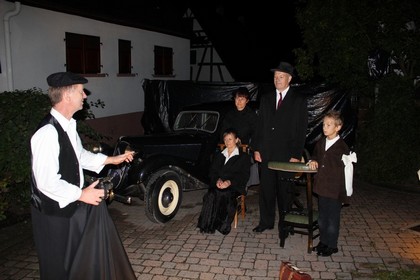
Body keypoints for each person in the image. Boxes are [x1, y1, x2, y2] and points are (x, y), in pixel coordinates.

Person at [30, 72, 137, 280]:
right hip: (53, 215)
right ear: (68, 96)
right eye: (81, 91)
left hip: (69, 208)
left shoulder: (69, 125)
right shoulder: (47, 134)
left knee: (75, 264)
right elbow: (46, 182)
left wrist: (111, 160)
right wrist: (81, 194)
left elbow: (79, 156)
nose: (85, 96)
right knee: (58, 268)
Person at [252, 61, 308, 234]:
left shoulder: (298, 100)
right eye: (275, 76)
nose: (277, 79)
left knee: (285, 192)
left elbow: (301, 129)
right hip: (267, 153)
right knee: (266, 190)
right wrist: (256, 148)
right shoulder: (266, 98)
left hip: (286, 155)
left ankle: (286, 224)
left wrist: (296, 154)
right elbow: (260, 125)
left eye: (281, 76)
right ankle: (266, 222)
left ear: (289, 79)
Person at [308, 110, 355, 257]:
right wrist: (313, 160)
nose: (325, 127)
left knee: (332, 219)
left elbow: (348, 171)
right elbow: (315, 154)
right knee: (322, 218)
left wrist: (345, 192)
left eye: (329, 125)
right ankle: (323, 241)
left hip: (335, 190)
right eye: (323, 124)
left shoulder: (342, 147)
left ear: (338, 127)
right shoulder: (321, 142)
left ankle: (332, 245)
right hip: (322, 187)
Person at [197, 128, 251, 235]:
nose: (227, 142)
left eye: (230, 139)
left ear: (236, 140)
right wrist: (218, 180)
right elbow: (212, 171)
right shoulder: (219, 155)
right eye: (225, 139)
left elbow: (243, 176)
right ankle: (208, 224)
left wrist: (229, 182)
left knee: (224, 194)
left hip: (234, 185)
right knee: (211, 193)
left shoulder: (243, 157)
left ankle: (222, 225)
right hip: (219, 183)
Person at [219, 87, 259, 186]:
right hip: (228, 146)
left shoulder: (251, 115)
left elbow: (256, 133)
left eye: (242, 99)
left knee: (241, 163)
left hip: (244, 149)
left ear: (247, 101)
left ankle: (239, 186)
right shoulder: (230, 114)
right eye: (237, 98)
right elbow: (223, 131)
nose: (239, 101)